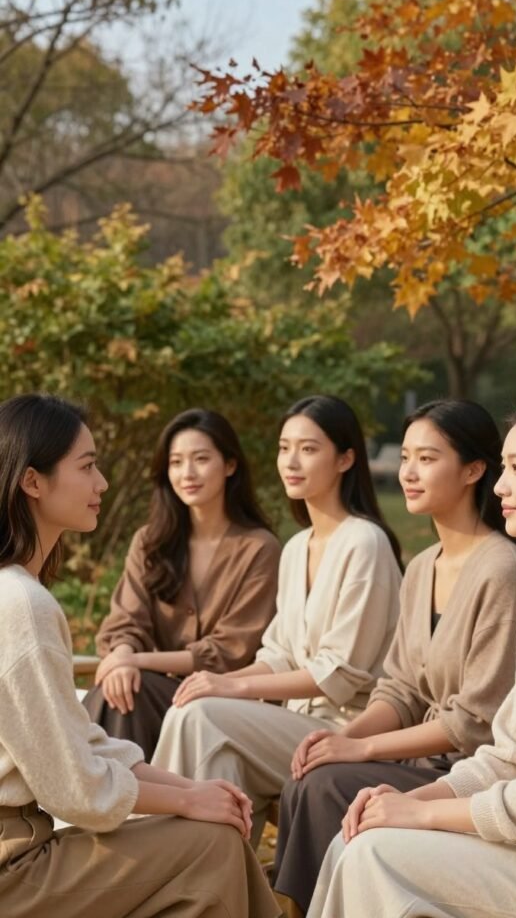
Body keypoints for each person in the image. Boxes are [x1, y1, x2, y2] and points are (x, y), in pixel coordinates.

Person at [0, 393, 280, 918]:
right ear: (33, 482)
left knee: (208, 835)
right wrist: (189, 801)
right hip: (12, 871)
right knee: (211, 843)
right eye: (87, 467)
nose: (102, 483)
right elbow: (76, 789)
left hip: (22, 848)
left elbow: (81, 743)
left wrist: (192, 788)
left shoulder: (18, 594)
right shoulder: (19, 603)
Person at [308, 395, 516, 918]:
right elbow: (509, 755)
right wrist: (421, 797)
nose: (501, 486)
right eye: (504, 468)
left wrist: (423, 814)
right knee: (358, 840)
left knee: (375, 853)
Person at [151, 394, 403, 845]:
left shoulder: (365, 543)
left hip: (344, 732)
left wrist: (230, 685)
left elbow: (339, 674)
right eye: (284, 448)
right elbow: (280, 654)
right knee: (211, 750)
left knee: (203, 716)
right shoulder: (295, 547)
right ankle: (217, 890)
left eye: (308, 449)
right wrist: (217, 684)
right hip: (291, 729)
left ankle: (154, 857)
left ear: (346, 458)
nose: (291, 461)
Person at [83, 408, 280, 760]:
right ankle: (114, 803)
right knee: (121, 689)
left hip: (224, 702)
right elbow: (127, 621)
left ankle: (104, 805)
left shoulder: (259, 549)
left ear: (230, 465)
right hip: (152, 697)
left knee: (128, 691)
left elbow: (229, 651)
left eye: (201, 459)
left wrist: (135, 661)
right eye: (176, 462)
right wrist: (124, 654)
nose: (187, 473)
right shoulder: (150, 542)